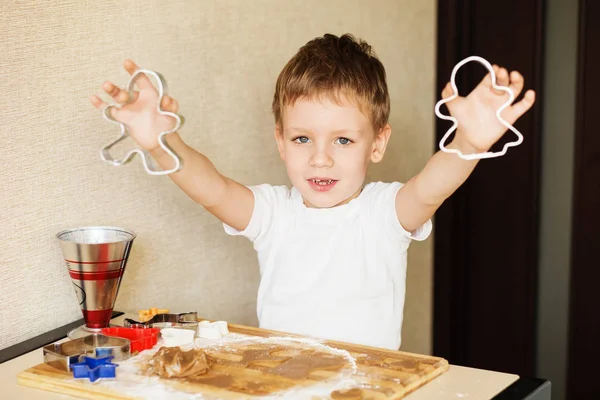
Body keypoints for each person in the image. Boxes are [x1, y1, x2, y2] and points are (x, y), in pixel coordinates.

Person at [90, 33, 535, 350]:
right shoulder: (273, 213)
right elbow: (213, 190)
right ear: (280, 140)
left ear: (377, 143)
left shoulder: (383, 213)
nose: (320, 158)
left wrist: (468, 143)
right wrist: (161, 141)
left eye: (343, 140)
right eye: (303, 139)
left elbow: (430, 189)